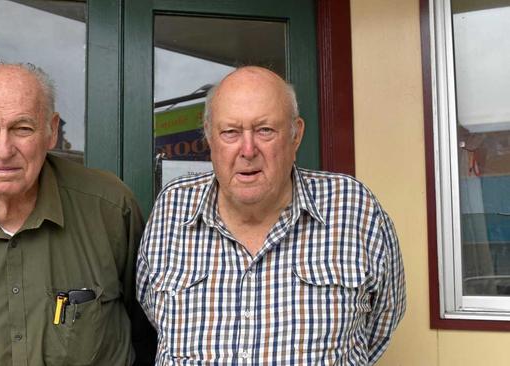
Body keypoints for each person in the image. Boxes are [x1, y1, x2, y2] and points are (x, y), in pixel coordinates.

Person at [136, 66, 405, 365]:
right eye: (230, 132)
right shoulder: (172, 209)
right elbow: (151, 309)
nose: (247, 150)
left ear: (296, 135)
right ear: (210, 138)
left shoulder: (355, 209)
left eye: (265, 130)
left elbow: (381, 323)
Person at [0, 62, 154, 365]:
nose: (3, 149)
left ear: (51, 131)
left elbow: (146, 327)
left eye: (22, 128)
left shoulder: (110, 207)